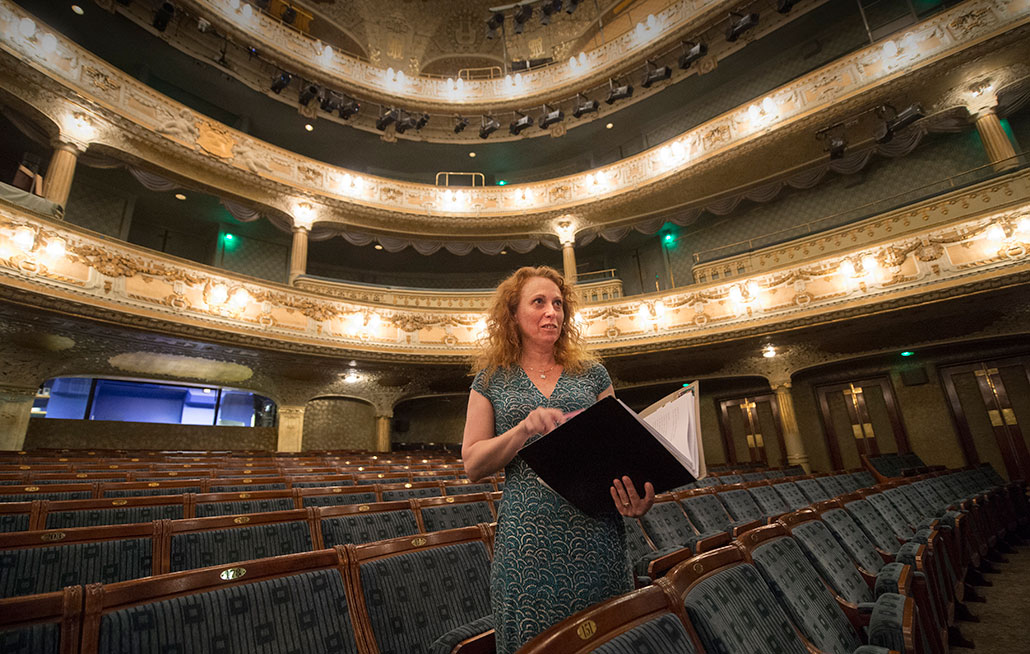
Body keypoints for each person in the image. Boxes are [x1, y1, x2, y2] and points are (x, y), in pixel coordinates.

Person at [462, 265, 655, 653]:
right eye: (538, 302)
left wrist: (636, 496)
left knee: (608, 642)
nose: (552, 312)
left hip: (598, 534)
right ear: (513, 314)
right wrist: (522, 430)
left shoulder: (593, 375)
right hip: (528, 541)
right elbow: (473, 464)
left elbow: (620, 450)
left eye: (558, 304)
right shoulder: (491, 379)